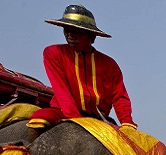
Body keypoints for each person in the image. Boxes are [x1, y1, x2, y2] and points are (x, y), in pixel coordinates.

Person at [27, 5, 135, 140]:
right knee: (38, 120)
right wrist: (76, 120)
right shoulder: (53, 53)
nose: (70, 35)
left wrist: (127, 123)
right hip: (62, 112)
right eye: (66, 30)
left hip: (99, 118)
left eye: (76, 31)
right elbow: (61, 91)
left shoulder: (110, 64)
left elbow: (120, 97)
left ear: (92, 36)